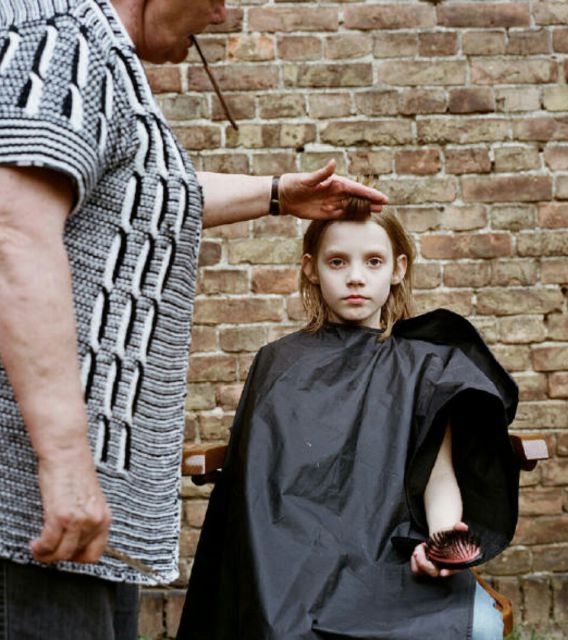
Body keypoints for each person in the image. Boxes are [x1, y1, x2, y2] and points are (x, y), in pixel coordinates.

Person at [0, 0, 388, 638]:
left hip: (75, 499)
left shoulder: (97, 53)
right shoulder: (62, 39)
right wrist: (65, 463)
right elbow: (14, 238)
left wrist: (276, 194)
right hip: (28, 502)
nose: (220, 14)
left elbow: (136, 191)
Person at [177, 202, 521, 639]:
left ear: (397, 269)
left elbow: (438, 477)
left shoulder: (427, 366)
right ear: (311, 268)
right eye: (337, 262)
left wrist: (439, 541)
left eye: (373, 261)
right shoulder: (278, 363)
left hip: (390, 561)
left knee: (480, 627)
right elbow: (259, 489)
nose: (355, 277)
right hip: (290, 567)